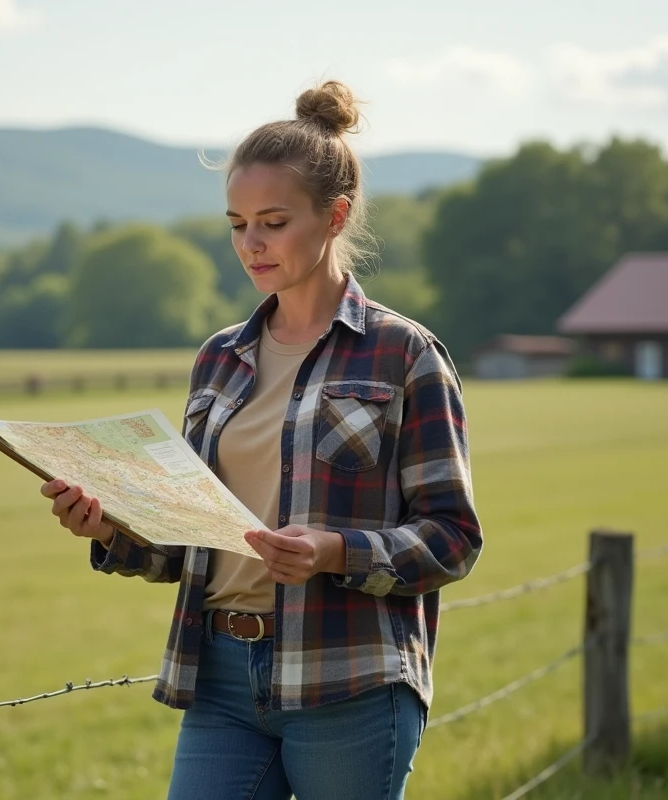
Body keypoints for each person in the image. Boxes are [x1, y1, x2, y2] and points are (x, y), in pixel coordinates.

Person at [41, 79, 483, 800]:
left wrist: (333, 552)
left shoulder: (404, 355)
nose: (252, 243)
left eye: (273, 222)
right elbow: (189, 538)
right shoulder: (220, 358)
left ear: (334, 216)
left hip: (351, 679)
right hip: (217, 676)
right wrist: (113, 524)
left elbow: (453, 539)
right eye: (237, 223)